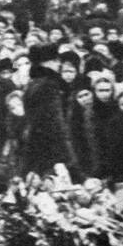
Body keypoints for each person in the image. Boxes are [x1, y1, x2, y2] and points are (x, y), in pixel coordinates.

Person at [20, 42, 76, 176]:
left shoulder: (33, 83)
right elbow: (55, 121)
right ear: (47, 62)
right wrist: (66, 155)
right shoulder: (50, 85)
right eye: (56, 60)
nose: (59, 64)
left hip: (35, 143)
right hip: (50, 147)